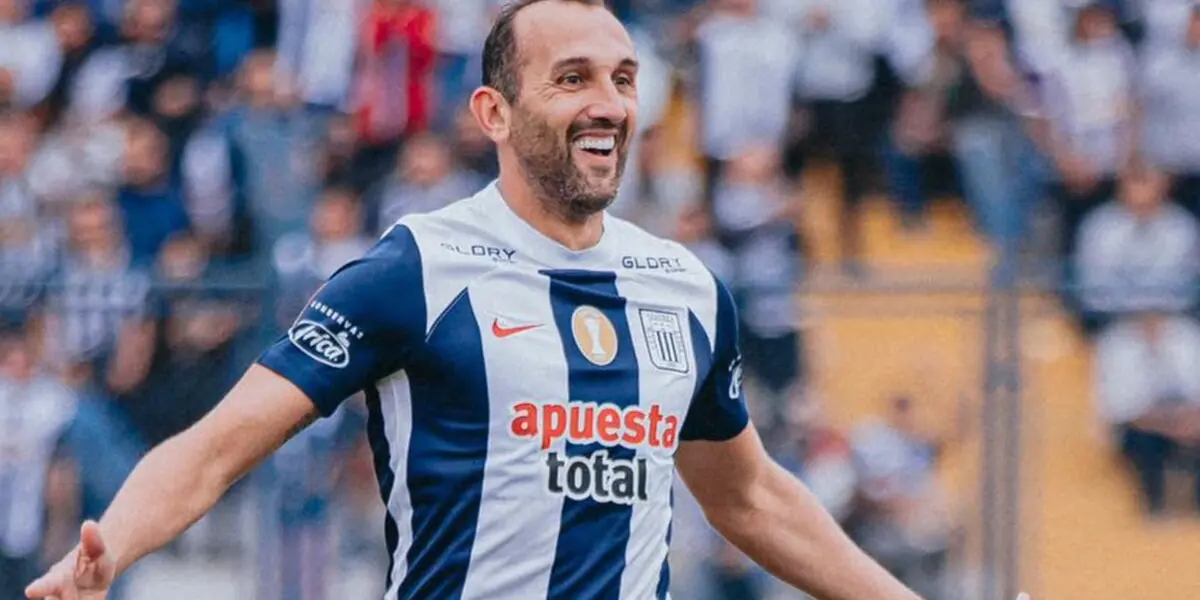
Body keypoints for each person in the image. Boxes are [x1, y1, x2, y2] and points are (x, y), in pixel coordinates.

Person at [25, 2, 923, 599]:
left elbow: (750, 497)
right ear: (494, 113)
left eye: (623, 78)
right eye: (572, 78)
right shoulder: (417, 268)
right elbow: (217, 448)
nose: (609, 103)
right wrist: (107, 552)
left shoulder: (687, 289)